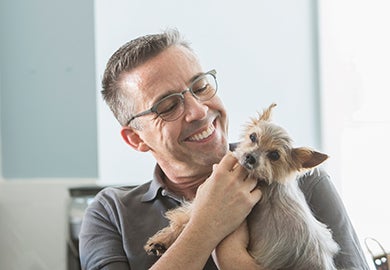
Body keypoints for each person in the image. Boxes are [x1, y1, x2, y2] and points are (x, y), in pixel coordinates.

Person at [79, 29, 369, 270]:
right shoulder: (110, 213)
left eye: (201, 86)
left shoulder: (301, 181)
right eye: (168, 106)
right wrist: (207, 223)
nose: (198, 110)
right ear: (136, 139)